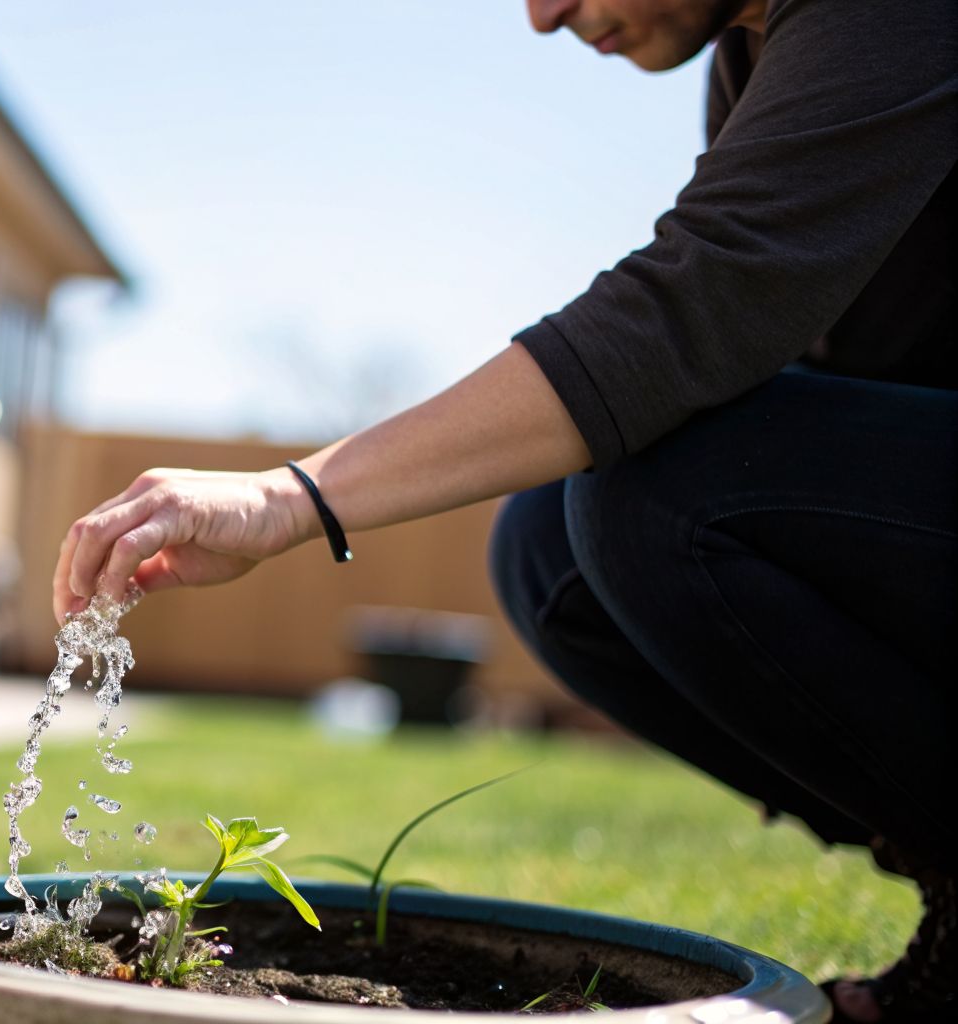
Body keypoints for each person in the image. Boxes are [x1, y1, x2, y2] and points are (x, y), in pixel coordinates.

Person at [49, 1, 955, 1020]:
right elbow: (757, 355)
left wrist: (287, 496)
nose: (541, 16)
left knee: (655, 495)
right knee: (549, 555)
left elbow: (697, 308)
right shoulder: (750, 51)